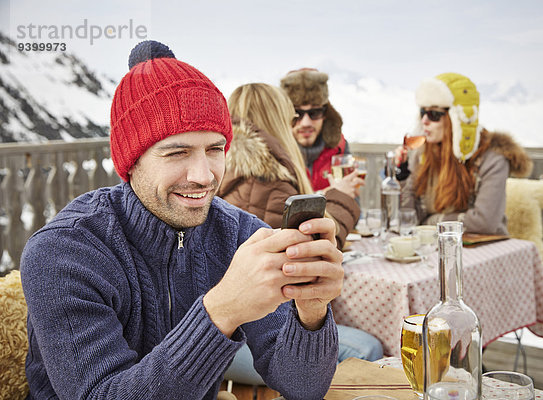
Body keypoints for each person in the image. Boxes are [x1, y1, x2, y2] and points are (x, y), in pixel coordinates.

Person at [19, 41, 342, 400]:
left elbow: (303, 385)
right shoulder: (63, 253)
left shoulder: (240, 234)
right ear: (131, 161)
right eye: (177, 152)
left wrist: (311, 309)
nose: (204, 176)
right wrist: (223, 309)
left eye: (214, 149)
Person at [218, 83, 383, 385]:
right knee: (367, 348)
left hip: (213, 327)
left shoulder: (225, 166)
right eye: (292, 117)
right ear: (279, 120)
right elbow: (303, 260)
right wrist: (342, 198)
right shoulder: (271, 178)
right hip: (242, 337)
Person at [396, 72, 532, 234]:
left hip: (485, 249)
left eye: (434, 114)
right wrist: (402, 177)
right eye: (422, 112)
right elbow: (410, 219)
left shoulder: (492, 158)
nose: (425, 120)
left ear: (457, 119)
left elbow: (483, 223)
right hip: (435, 247)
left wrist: (431, 221)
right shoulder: (423, 154)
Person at [280, 68, 361, 196]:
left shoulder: (339, 148)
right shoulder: (273, 153)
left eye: (314, 113)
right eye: (297, 114)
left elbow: (353, 203)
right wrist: (329, 194)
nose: (306, 123)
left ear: (325, 114)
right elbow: (278, 209)